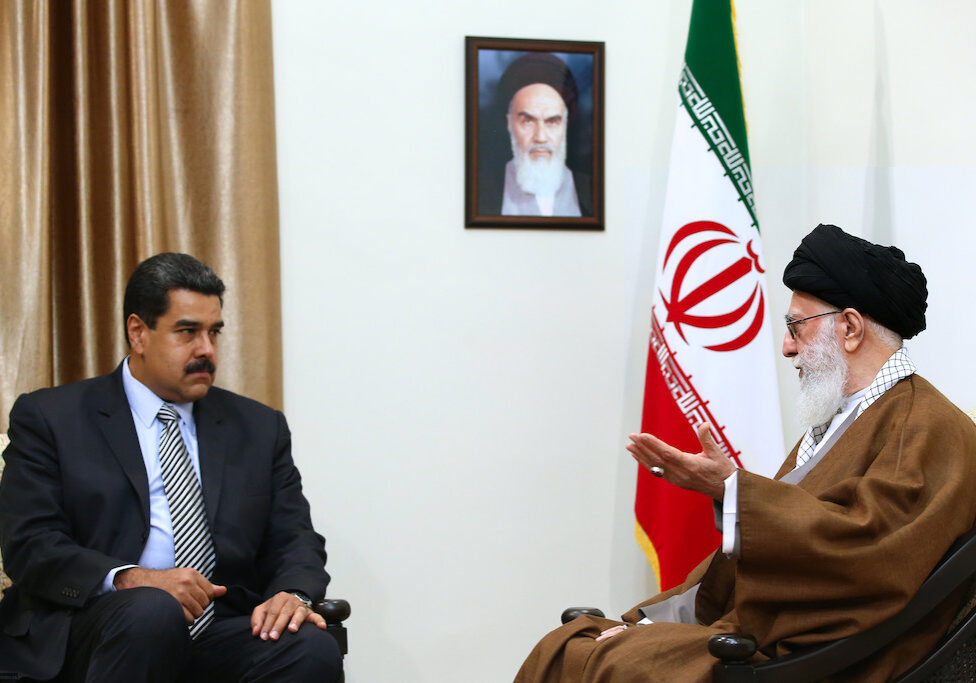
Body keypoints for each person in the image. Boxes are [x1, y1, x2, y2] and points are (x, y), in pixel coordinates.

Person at [515, 224, 976, 682]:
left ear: (850, 328)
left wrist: (734, 489)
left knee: (608, 662)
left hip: (837, 658)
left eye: (796, 326)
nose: (787, 347)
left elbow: (868, 559)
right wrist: (658, 620)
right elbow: (802, 545)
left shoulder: (925, 427)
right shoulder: (852, 413)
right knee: (574, 644)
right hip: (783, 635)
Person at [0, 253, 342, 682]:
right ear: (138, 333)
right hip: (94, 625)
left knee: (309, 647)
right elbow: (30, 543)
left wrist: (293, 594)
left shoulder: (258, 427)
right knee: (151, 609)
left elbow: (294, 536)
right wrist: (131, 578)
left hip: (218, 626)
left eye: (214, 332)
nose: (206, 350)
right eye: (187, 332)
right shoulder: (52, 417)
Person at [478, 52, 592, 217]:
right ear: (509, 123)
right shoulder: (482, 191)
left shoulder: (592, 191)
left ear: (565, 125)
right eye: (528, 121)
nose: (540, 137)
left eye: (552, 122)